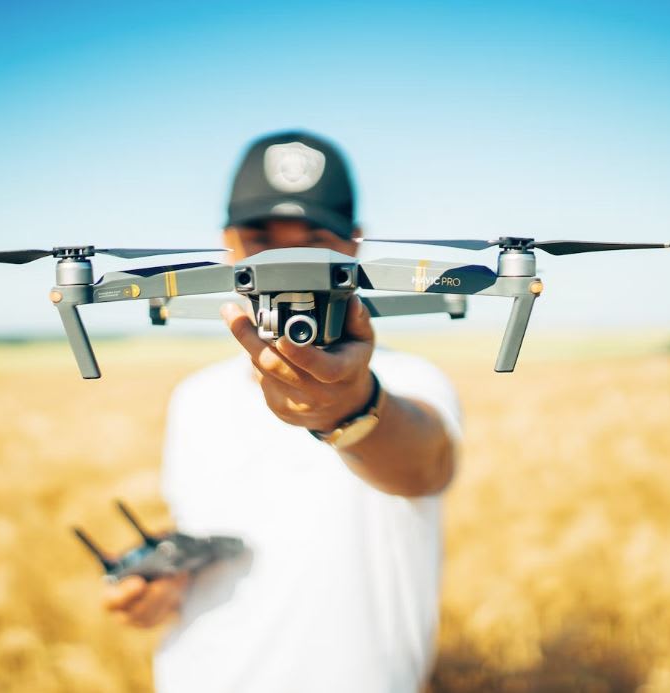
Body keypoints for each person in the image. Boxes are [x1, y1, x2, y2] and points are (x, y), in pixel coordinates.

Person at [102, 131, 463, 693]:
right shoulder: (194, 397)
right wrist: (162, 582)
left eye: (312, 243)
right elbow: (211, 524)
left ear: (353, 246)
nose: (287, 266)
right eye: (262, 243)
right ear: (228, 244)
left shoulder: (414, 381)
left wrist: (352, 408)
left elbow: (421, 466)